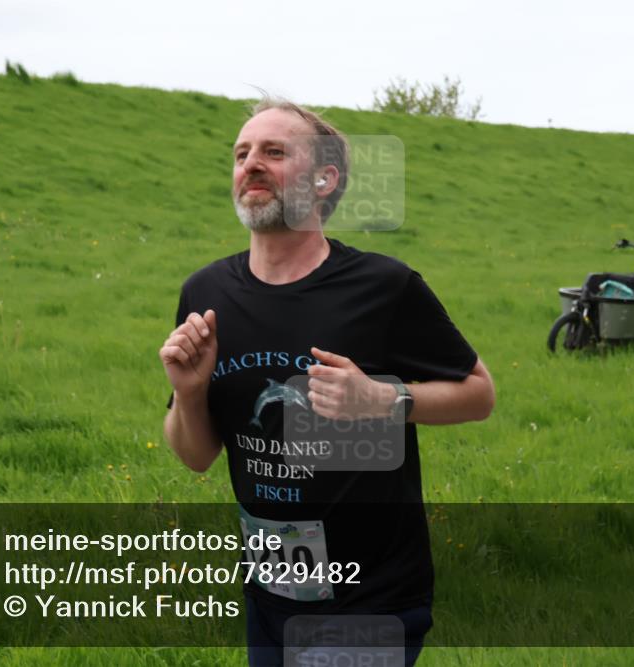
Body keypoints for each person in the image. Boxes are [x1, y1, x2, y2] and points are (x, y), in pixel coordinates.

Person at [160, 97, 495, 666]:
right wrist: (190, 392)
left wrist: (384, 400)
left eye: (274, 151)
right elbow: (196, 456)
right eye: (241, 154)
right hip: (270, 591)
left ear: (324, 179)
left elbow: (479, 393)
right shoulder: (206, 294)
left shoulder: (382, 286)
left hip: (372, 595)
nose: (251, 164)